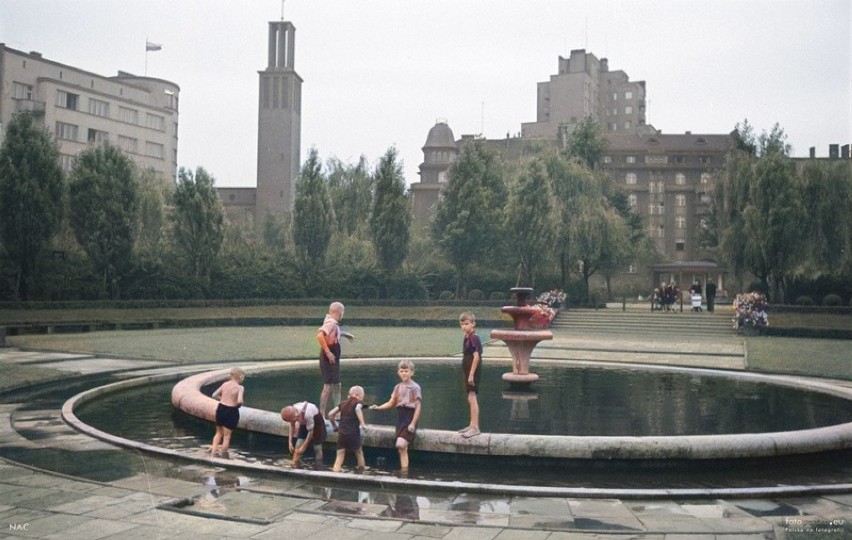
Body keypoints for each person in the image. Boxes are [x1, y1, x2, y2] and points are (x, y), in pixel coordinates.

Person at [369, 359, 421, 472]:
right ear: (398, 372)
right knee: (401, 448)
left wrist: (412, 423)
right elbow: (391, 403)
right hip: (400, 418)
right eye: (402, 371)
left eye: (406, 371)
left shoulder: (415, 387)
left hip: (409, 417)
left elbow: (418, 407)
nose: (404, 373)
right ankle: (404, 470)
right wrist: (378, 407)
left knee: (401, 444)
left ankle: (405, 470)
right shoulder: (397, 387)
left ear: (412, 372)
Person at [317, 302, 355, 416]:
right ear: (340, 312)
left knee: (337, 384)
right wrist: (328, 352)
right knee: (328, 386)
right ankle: (322, 414)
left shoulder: (330, 320)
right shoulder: (331, 322)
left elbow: (332, 333)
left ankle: (337, 412)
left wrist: (345, 335)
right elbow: (320, 335)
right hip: (329, 355)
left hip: (333, 355)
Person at [327, 385, 367, 472]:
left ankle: (334, 474)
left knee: (340, 456)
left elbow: (330, 414)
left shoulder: (343, 404)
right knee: (359, 453)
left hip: (342, 433)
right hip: (353, 433)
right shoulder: (358, 403)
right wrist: (363, 424)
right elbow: (357, 409)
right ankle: (362, 472)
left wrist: (335, 427)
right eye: (362, 395)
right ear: (357, 395)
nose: (362, 398)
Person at [210, 367, 245, 457]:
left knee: (218, 433)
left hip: (221, 408)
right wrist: (238, 405)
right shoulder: (240, 388)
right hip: (231, 411)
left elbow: (214, 395)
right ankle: (223, 455)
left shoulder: (225, 384)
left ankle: (213, 452)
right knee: (227, 436)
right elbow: (240, 401)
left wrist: (222, 399)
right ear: (241, 377)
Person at [457, 312, 482, 438]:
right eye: (462, 324)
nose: (464, 327)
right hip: (467, 370)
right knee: (470, 397)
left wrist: (471, 374)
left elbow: (476, 356)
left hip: (472, 371)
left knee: (472, 397)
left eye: (466, 324)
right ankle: (471, 424)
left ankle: (475, 427)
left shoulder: (474, 338)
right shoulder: (467, 337)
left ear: (473, 324)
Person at [280, 400, 327, 466]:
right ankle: (295, 464)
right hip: (303, 423)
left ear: (295, 416)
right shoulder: (294, 410)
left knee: (317, 447)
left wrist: (304, 446)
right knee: (298, 445)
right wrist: (290, 442)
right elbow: (292, 425)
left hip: (316, 424)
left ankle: (319, 465)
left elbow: (311, 431)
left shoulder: (308, 413)